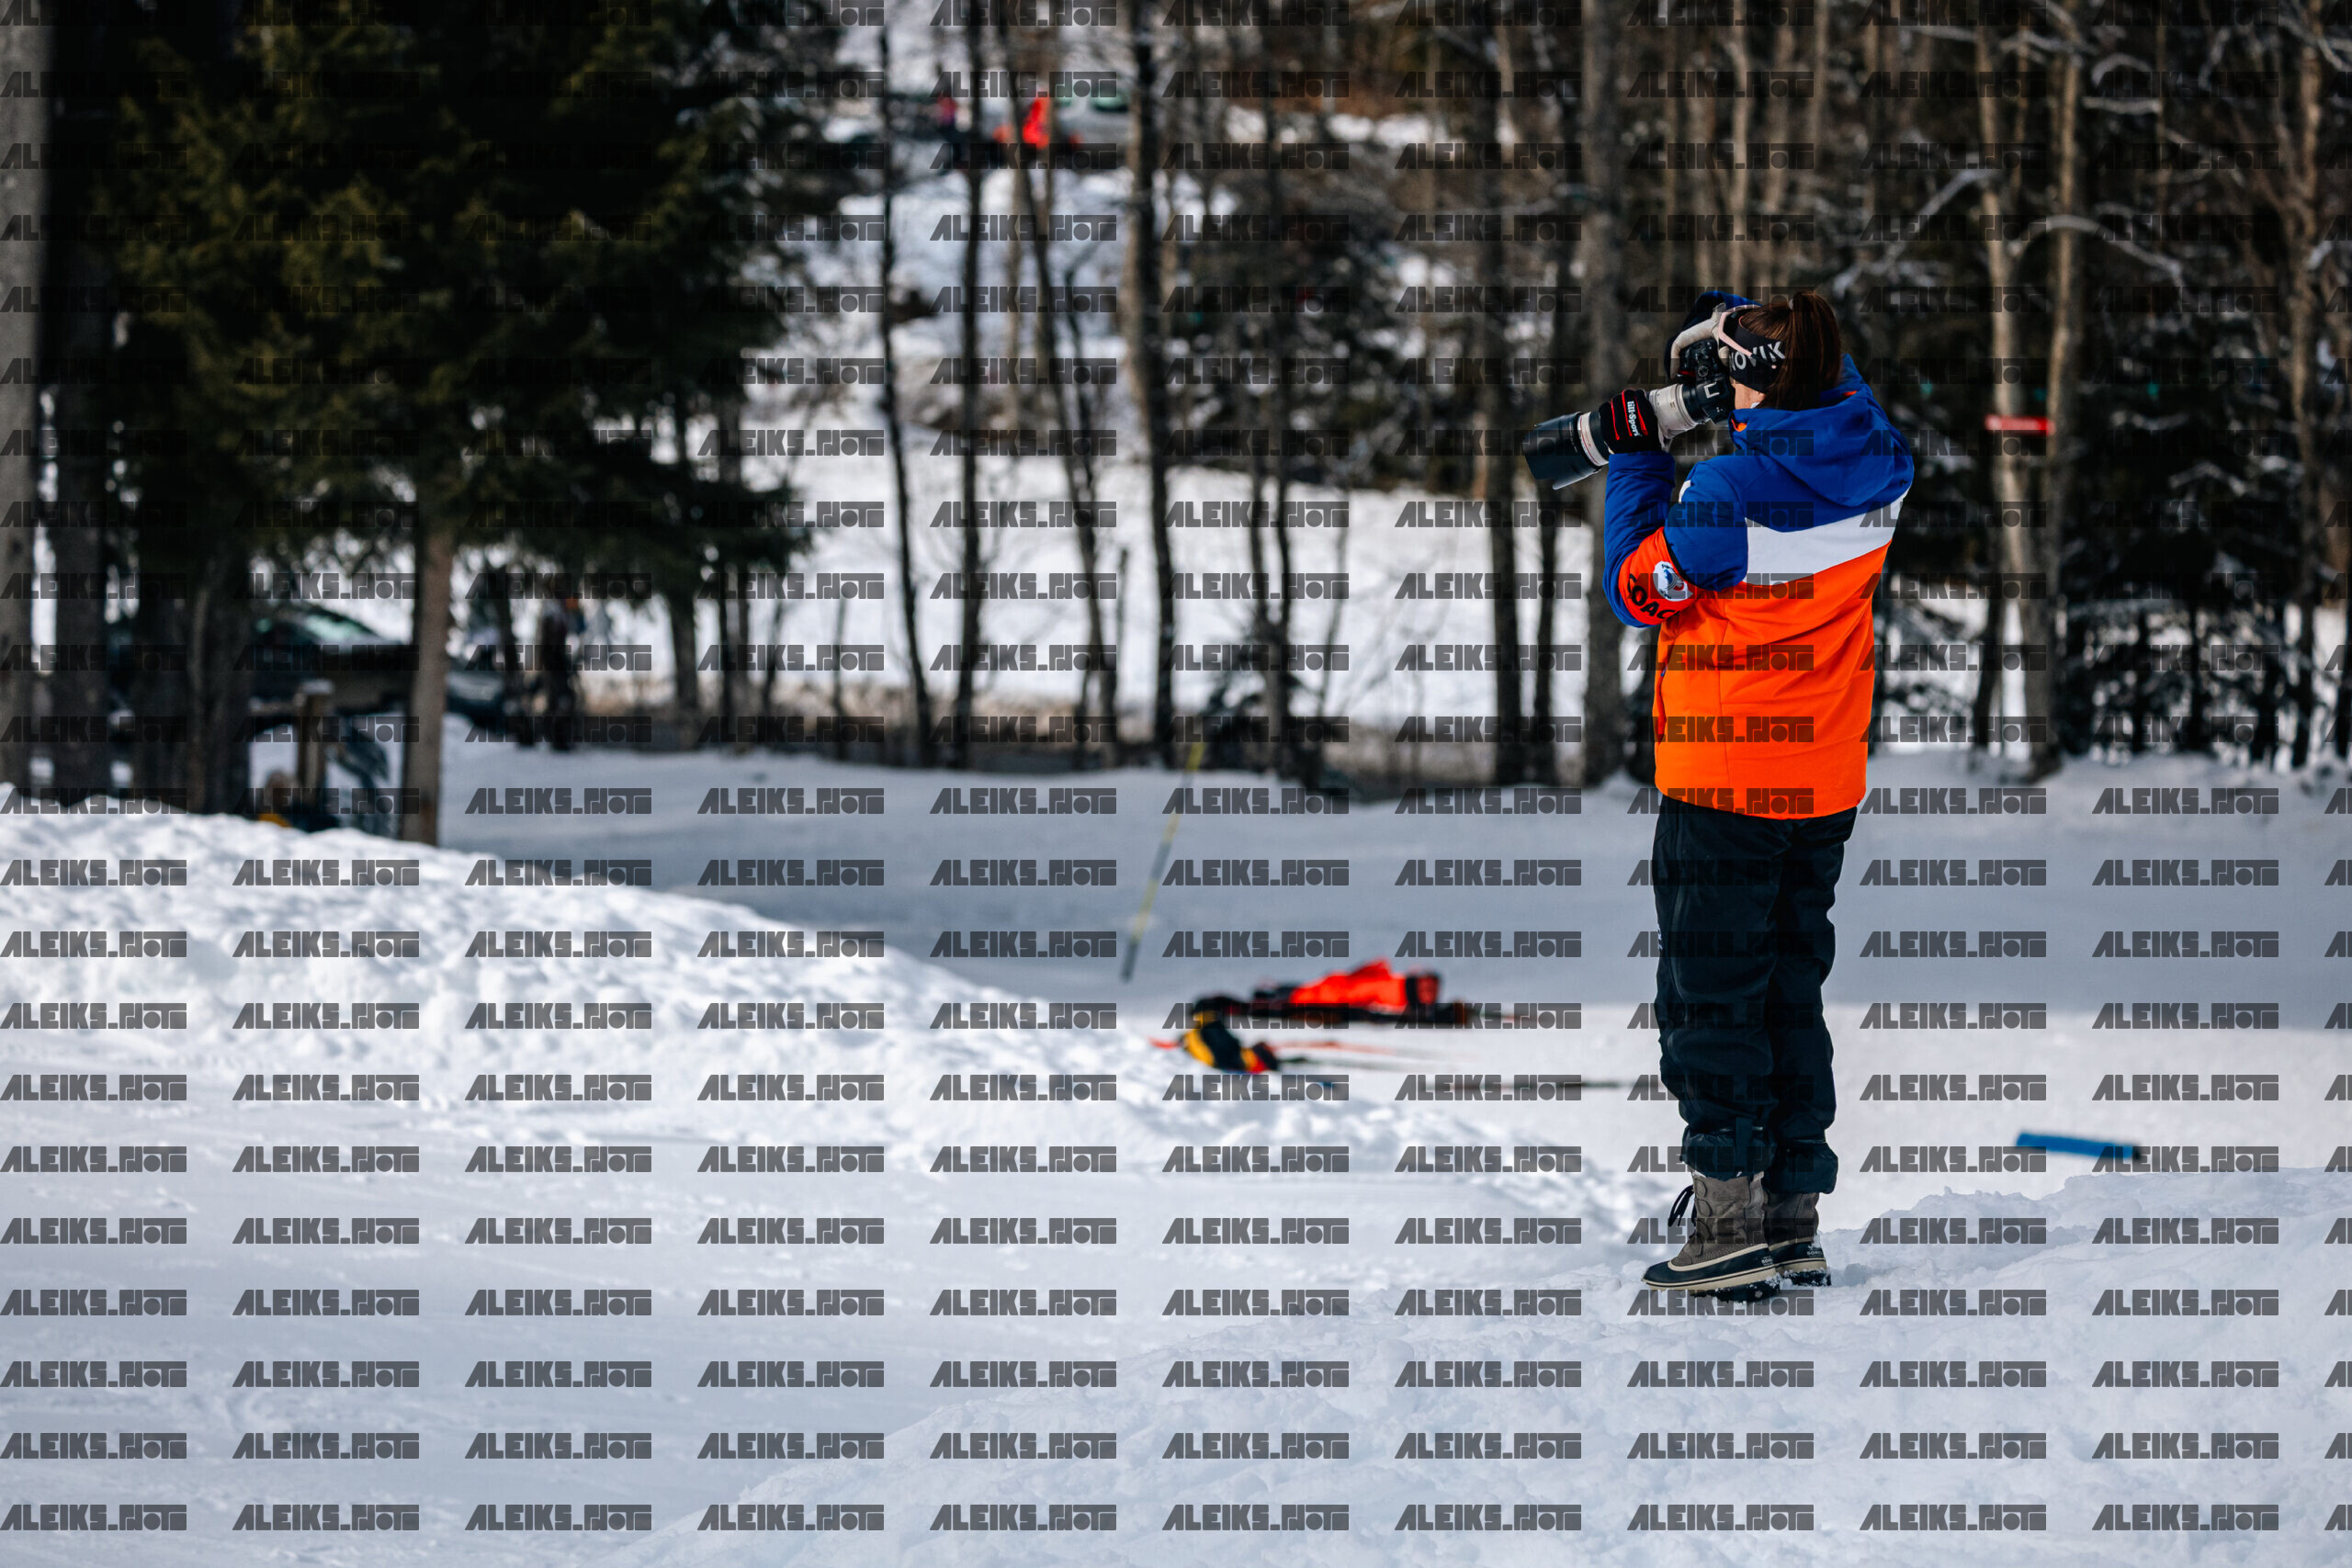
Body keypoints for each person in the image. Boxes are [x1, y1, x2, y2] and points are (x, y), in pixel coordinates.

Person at [1594, 289, 1914, 1296]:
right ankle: (1790, 1216)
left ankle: (1725, 1221)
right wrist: (1738, 333)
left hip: (1725, 779)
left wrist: (1637, 454)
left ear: (1761, 385)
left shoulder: (1727, 491)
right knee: (1787, 992)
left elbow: (1636, 587)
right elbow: (1831, 386)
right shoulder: (1881, 458)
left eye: (1727, 375)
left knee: (1710, 1000)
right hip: (1821, 780)